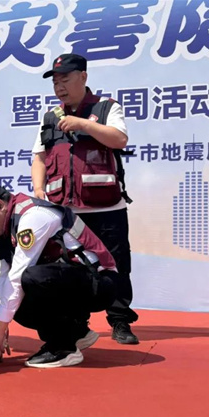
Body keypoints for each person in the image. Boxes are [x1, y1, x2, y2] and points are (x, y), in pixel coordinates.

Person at [30, 53, 139, 345]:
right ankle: (78, 324)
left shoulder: (106, 108)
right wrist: (39, 189)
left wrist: (84, 124)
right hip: (67, 211)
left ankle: (119, 321)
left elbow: (119, 139)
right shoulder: (51, 117)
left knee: (116, 264)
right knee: (71, 267)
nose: (59, 87)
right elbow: (39, 157)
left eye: (65, 79)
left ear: (83, 77)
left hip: (107, 207)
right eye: (55, 82)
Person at [0, 179, 118, 368]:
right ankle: (77, 333)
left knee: (30, 279)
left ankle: (63, 348)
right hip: (74, 280)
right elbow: (4, 276)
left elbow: (17, 276)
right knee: (11, 298)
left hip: (101, 282)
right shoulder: (6, 229)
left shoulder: (33, 217)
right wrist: (0, 325)